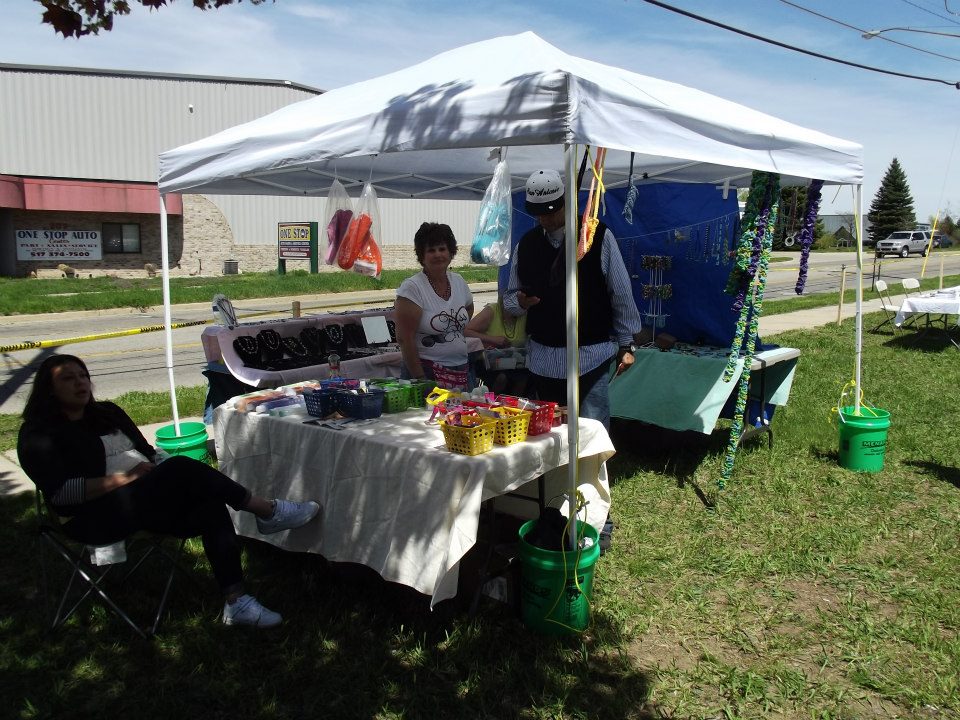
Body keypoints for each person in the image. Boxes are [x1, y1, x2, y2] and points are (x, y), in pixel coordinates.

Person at [17, 354, 321, 629]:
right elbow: (61, 495)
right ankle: (266, 511)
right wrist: (127, 478)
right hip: (92, 517)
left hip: (144, 498)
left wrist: (154, 466)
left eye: (82, 375)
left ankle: (236, 601)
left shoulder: (106, 413)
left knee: (209, 502)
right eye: (68, 378)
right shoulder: (40, 434)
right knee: (180, 467)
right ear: (49, 389)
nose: (80, 383)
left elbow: (147, 452)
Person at [504, 169, 642, 551]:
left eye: (553, 210)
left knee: (592, 436)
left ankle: (598, 518)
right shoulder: (527, 244)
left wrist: (626, 341)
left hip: (592, 355)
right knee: (550, 440)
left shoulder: (597, 238)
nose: (547, 219)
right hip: (545, 357)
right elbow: (510, 297)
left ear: (568, 203)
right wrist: (521, 303)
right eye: (540, 213)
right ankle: (552, 509)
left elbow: (619, 292)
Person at [395, 222, 474, 387]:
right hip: (427, 373)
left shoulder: (459, 281)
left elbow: (468, 309)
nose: (438, 254)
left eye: (442, 249)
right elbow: (404, 338)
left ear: (451, 252)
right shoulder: (412, 287)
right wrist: (420, 379)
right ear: (422, 256)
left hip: (461, 370)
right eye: (431, 250)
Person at [464, 295, 529, 395]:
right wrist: (493, 340)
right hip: (490, 362)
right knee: (501, 378)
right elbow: (466, 331)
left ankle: (515, 405)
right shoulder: (492, 310)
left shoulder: (525, 313)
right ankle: (492, 402)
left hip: (516, 363)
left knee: (523, 377)